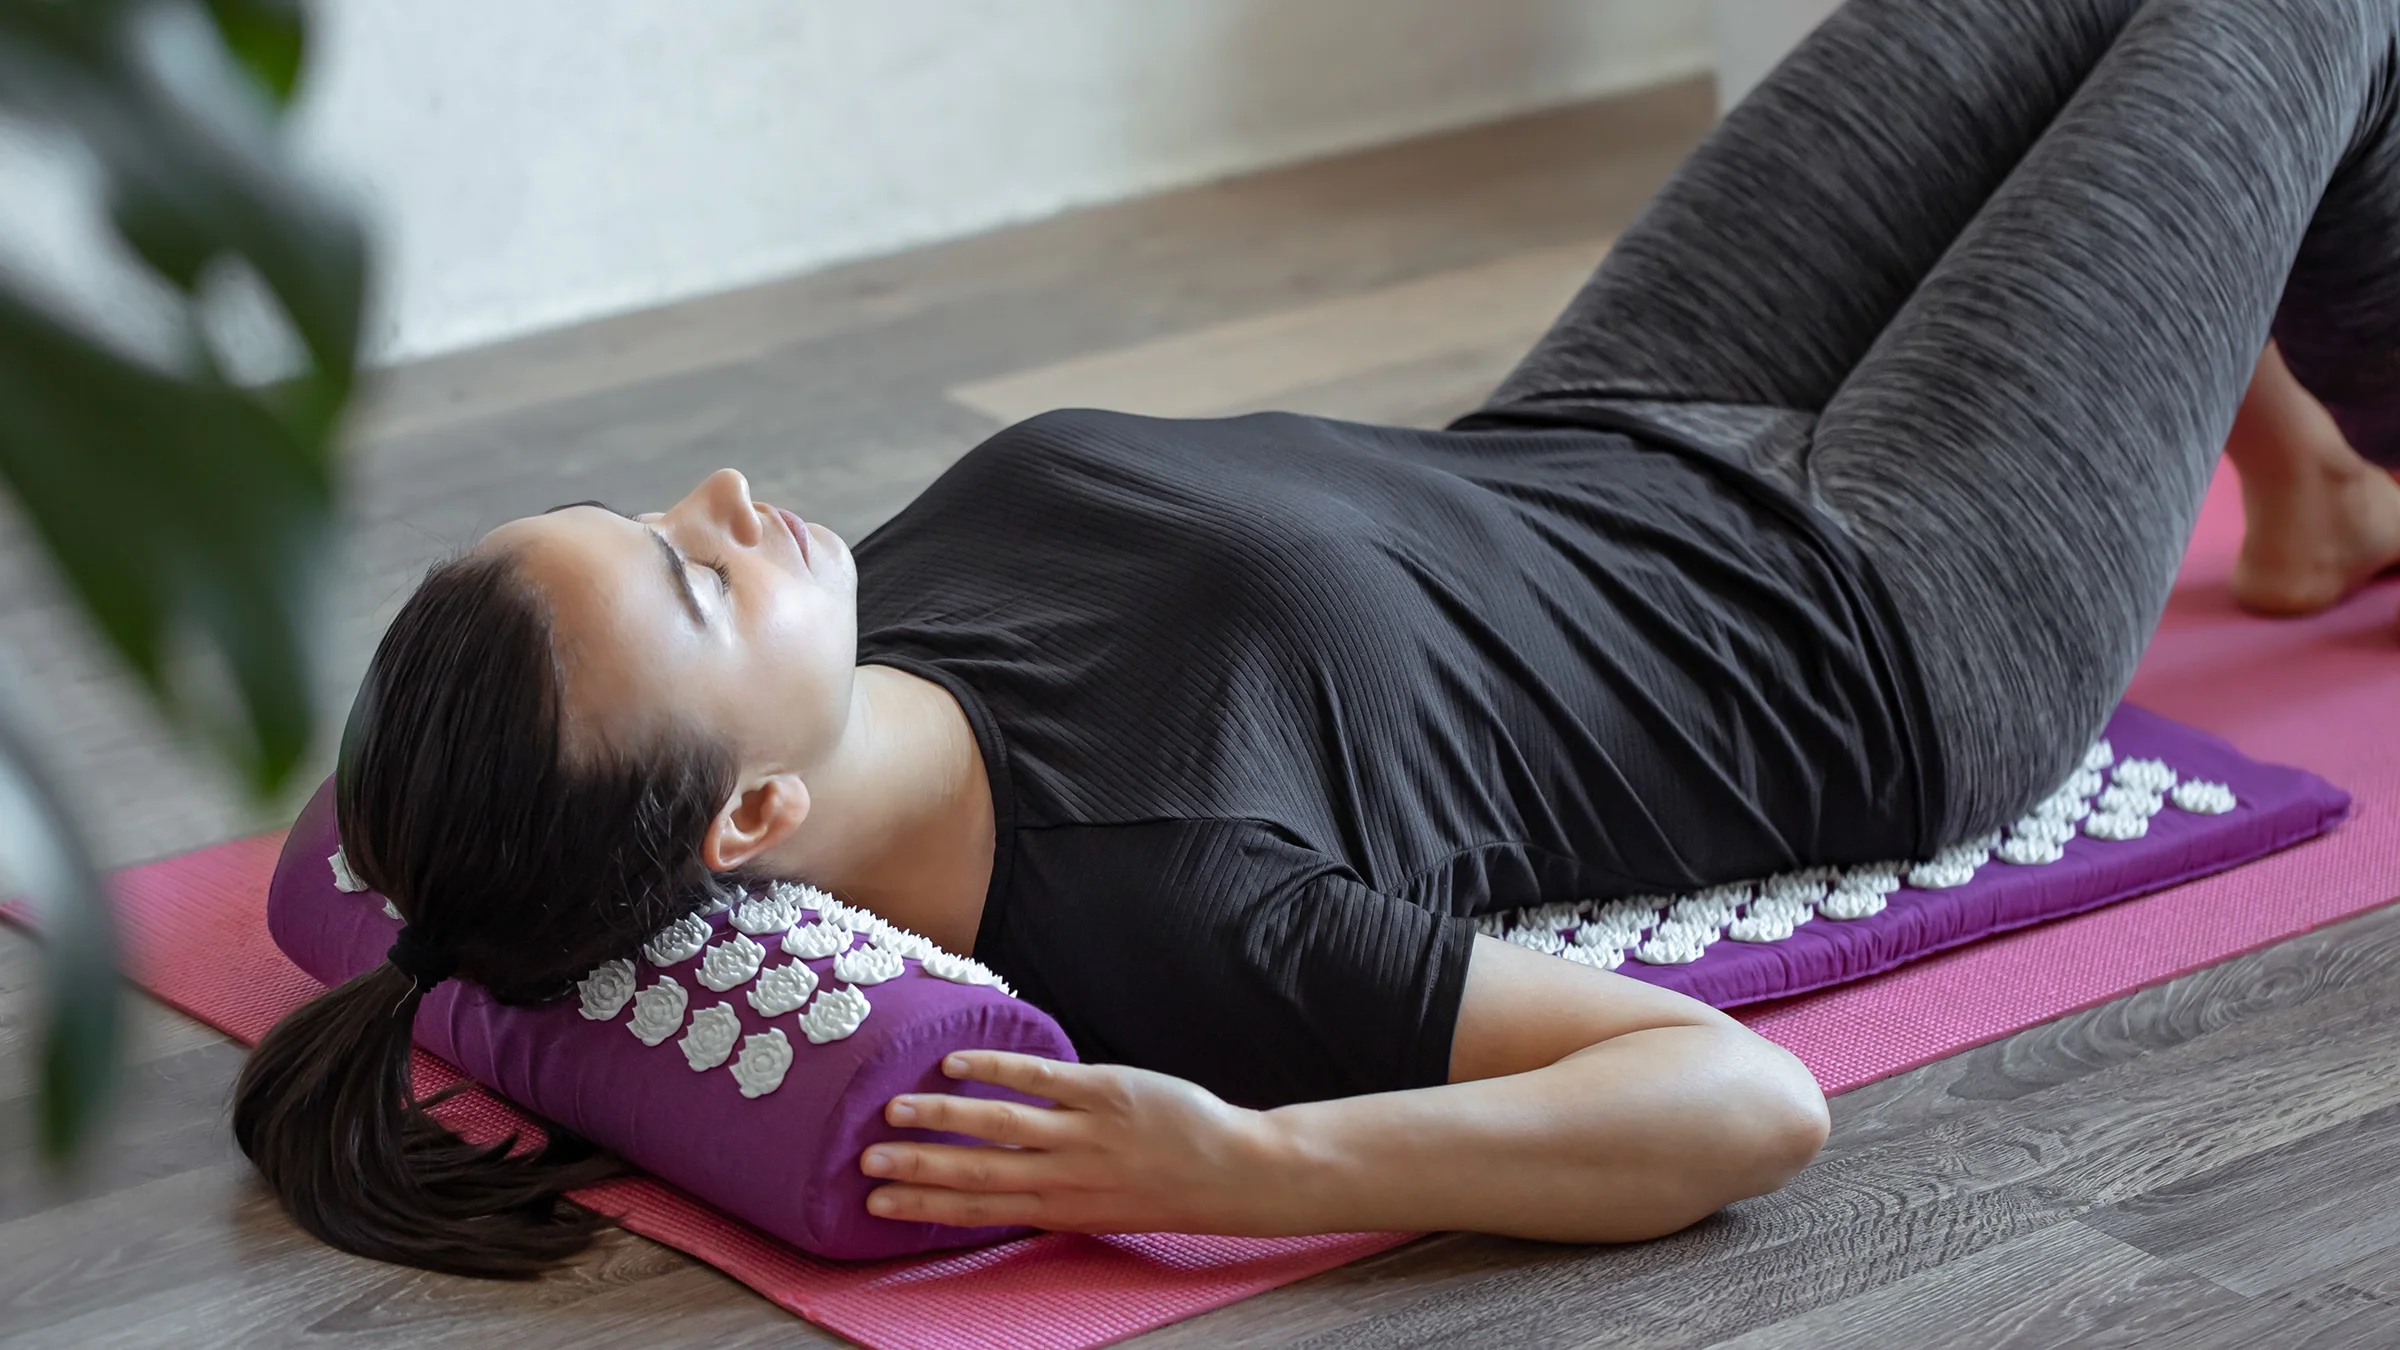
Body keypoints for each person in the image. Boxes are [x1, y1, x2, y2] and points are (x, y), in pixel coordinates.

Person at [235, 0, 2400, 1278]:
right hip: (1885, 614)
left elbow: (438, 836)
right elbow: (1737, 1102)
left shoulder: (853, 652)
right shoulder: (1168, 904)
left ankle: (2306, 476)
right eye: (695, 582)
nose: (725, 501)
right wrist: (1251, 1163)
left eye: (645, 519)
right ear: (752, 817)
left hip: (1609, 420)